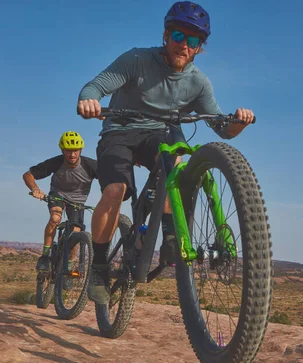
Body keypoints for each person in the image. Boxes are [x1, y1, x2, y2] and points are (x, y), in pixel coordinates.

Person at [76, 1, 255, 304]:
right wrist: (89, 101)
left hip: (158, 134)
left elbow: (221, 127)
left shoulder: (198, 82)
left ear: (200, 48)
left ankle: (171, 236)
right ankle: (99, 267)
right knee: (116, 189)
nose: (185, 45)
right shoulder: (137, 59)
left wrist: (238, 122)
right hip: (119, 130)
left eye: (194, 41)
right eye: (179, 37)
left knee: (176, 161)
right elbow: (96, 86)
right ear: (166, 35)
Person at [23, 131, 98, 271]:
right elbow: (28, 175)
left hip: (78, 201)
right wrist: (35, 189)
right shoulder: (56, 162)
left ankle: (68, 266)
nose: (72, 154)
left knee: (76, 232)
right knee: (55, 217)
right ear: (62, 150)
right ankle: (45, 256)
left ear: (81, 149)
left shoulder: (90, 165)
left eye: (75, 150)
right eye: (68, 151)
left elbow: (109, 176)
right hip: (58, 195)